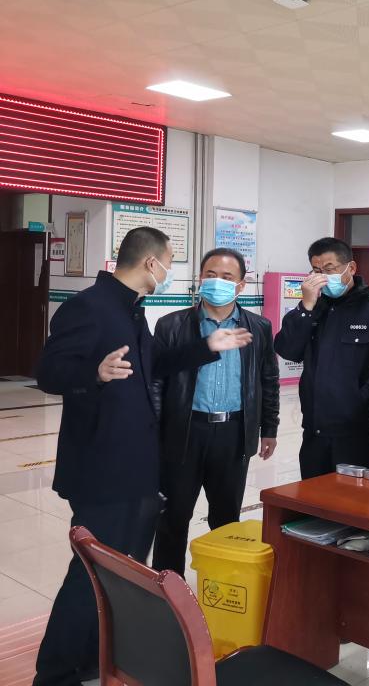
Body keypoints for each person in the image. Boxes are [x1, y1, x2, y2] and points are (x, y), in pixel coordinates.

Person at [33, 227, 252, 686]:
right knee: (91, 574)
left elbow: (153, 364)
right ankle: (55, 672)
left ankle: (92, 657)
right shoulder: (89, 307)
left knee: (118, 573)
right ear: (152, 263)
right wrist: (94, 373)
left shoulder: (131, 310)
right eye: (170, 262)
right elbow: (49, 372)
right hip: (102, 468)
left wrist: (207, 348)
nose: (170, 271)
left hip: (134, 466)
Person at [151, 247, 280, 575]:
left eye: (226, 277)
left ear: (241, 285)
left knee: (226, 519)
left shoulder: (258, 327)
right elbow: (156, 381)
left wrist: (269, 428)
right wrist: (152, 432)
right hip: (184, 432)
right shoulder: (172, 325)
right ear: (200, 278)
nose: (217, 282)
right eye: (210, 275)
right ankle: (169, 591)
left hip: (233, 434)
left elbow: (268, 379)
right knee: (173, 518)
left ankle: (222, 586)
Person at [275, 237, 369, 478]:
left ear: (351, 268)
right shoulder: (312, 308)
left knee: (353, 498)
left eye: (329, 269)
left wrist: (360, 400)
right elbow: (287, 350)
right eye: (316, 270)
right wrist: (306, 307)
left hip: (358, 431)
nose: (322, 277)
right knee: (312, 496)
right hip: (314, 428)